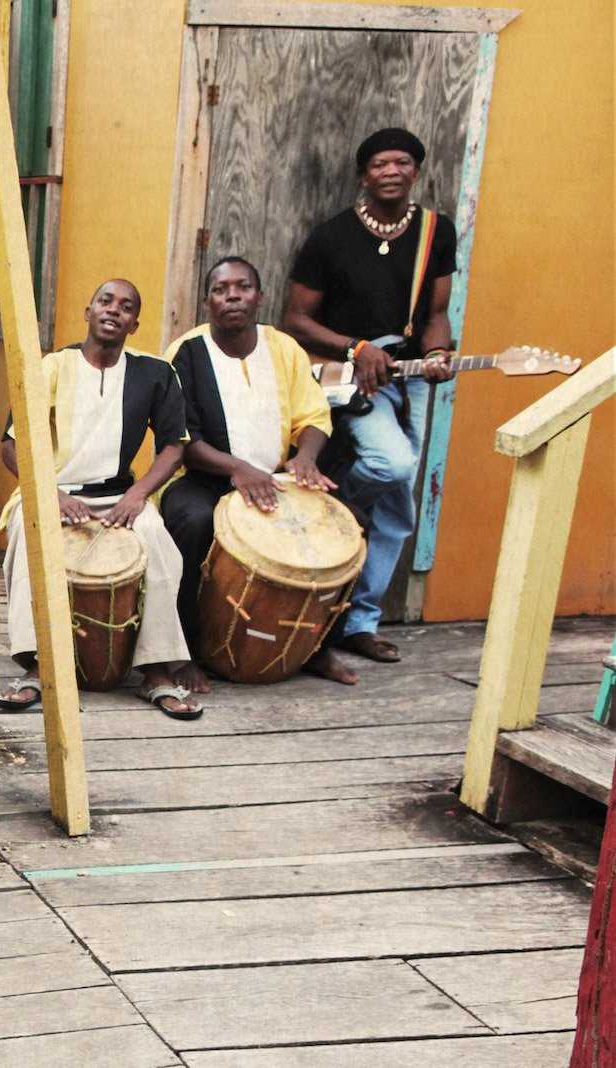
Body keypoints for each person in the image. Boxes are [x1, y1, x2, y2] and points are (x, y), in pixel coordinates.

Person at [283, 127, 456, 665]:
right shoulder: (332, 237)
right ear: (364, 175)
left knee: (400, 506)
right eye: (380, 163)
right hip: (351, 378)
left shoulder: (435, 232)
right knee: (392, 464)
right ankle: (341, 504)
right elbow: (295, 320)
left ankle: (360, 622)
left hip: (409, 375)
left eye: (402, 162)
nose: (391, 171)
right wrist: (355, 348)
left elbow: (435, 314)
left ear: (416, 171)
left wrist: (438, 352)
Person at [0, 280, 200, 719]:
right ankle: (39, 667)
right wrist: (51, 495)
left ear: (134, 324)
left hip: (120, 495)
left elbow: (174, 446)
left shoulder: (154, 372)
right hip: (53, 491)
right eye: (106, 301)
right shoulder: (52, 367)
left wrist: (138, 495)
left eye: (126, 307)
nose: (114, 311)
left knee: (159, 543)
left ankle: (156, 671)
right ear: (88, 311)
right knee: (28, 536)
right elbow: (11, 445)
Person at [163, 256, 358, 689]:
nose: (232, 296)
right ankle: (182, 652)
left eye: (243, 287)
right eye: (221, 289)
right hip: (203, 478)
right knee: (192, 523)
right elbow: (182, 438)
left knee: (348, 524)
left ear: (260, 297)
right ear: (208, 302)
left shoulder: (284, 348)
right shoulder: (186, 353)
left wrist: (305, 458)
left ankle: (318, 647)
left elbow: (313, 415)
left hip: (274, 479)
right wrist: (236, 468)